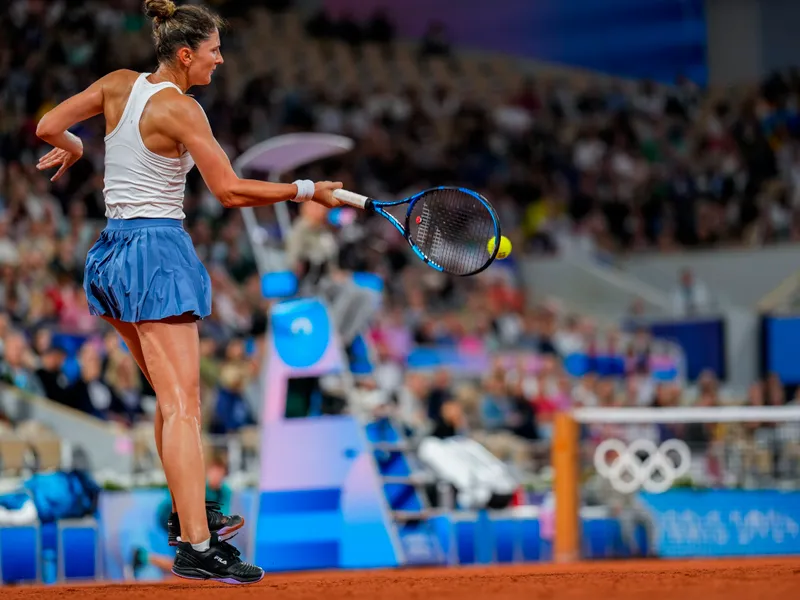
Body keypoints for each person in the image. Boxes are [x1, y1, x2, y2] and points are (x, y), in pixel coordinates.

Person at [35, 0, 343, 584]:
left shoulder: (116, 84)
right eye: (213, 51)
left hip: (111, 255)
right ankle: (196, 547)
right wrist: (306, 189)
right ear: (185, 54)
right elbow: (228, 191)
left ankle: (187, 515)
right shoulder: (183, 109)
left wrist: (76, 149)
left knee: (167, 396)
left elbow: (49, 127)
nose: (219, 60)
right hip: (156, 254)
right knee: (184, 405)